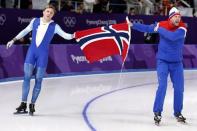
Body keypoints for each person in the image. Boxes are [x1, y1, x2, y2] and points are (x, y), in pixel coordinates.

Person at [6, 4, 74, 115]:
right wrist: (13, 39)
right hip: (31, 53)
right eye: (48, 11)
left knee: (38, 79)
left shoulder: (54, 26)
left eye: (51, 13)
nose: (49, 14)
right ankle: (23, 104)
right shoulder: (35, 21)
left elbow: (66, 36)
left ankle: (32, 105)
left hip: (42, 55)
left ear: (53, 16)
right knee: (26, 77)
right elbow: (25, 31)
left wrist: (75, 35)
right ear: (43, 12)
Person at [130, 7, 187, 124]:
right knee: (162, 86)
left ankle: (178, 112)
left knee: (179, 88)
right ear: (170, 18)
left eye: (179, 16)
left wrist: (159, 29)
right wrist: (133, 25)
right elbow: (147, 28)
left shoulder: (182, 28)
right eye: (175, 16)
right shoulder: (162, 24)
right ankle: (157, 112)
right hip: (163, 62)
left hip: (177, 64)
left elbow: (173, 37)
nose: (178, 18)